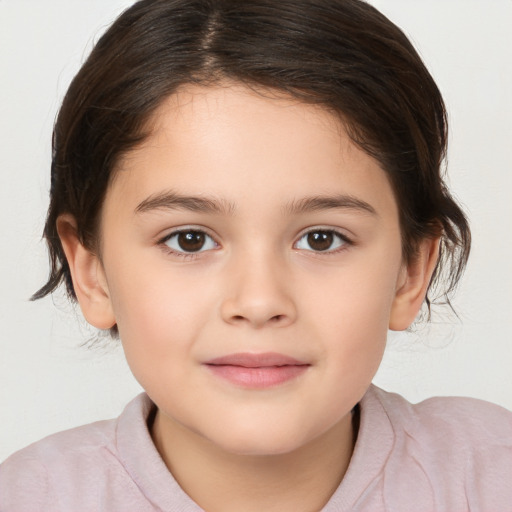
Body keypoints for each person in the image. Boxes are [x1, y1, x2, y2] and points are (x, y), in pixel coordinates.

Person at [1, 0, 510, 510]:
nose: (260, 301)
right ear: (92, 272)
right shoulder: (28, 497)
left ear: (411, 271)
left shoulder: (489, 475)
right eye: (190, 239)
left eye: (321, 239)